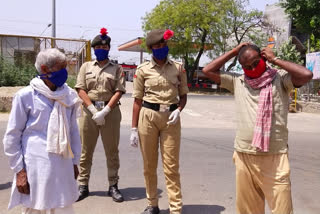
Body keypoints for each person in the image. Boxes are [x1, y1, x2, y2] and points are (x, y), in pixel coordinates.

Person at [202, 43, 313, 214]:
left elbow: (306, 75)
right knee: (248, 211)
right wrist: (234, 51)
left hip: (275, 157)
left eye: (255, 63)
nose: (253, 68)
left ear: (263, 57)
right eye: (247, 67)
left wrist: (275, 59)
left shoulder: (280, 79)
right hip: (244, 156)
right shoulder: (238, 81)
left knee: (282, 209)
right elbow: (208, 70)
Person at [3, 48, 82, 214]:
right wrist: (20, 171)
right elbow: (12, 136)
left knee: (63, 207)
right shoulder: (25, 96)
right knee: (35, 208)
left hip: (63, 166)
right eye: (62, 67)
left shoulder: (68, 96)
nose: (65, 72)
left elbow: (73, 132)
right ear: (46, 69)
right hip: (35, 168)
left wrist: (74, 163)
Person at [130, 29, 189, 214]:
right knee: (149, 165)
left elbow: (184, 96)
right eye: (157, 46)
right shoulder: (142, 70)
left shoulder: (178, 68)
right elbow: (137, 101)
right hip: (148, 117)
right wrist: (133, 128)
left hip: (171, 118)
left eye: (163, 45)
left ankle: (175, 207)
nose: (161, 48)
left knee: (171, 166)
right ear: (151, 48)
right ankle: (152, 204)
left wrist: (179, 110)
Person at [75, 27, 126, 202]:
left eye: (105, 48)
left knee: (111, 151)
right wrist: (92, 110)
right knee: (85, 151)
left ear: (108, 49)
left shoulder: (117, 69)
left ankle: (113, 185)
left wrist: (104, 111)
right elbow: (80, 89)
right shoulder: (86, 66)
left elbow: (119, 91)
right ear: (94, 49)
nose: (102, 50)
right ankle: (83, 185)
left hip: (110, 112)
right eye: (99, 48)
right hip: (89, 113)